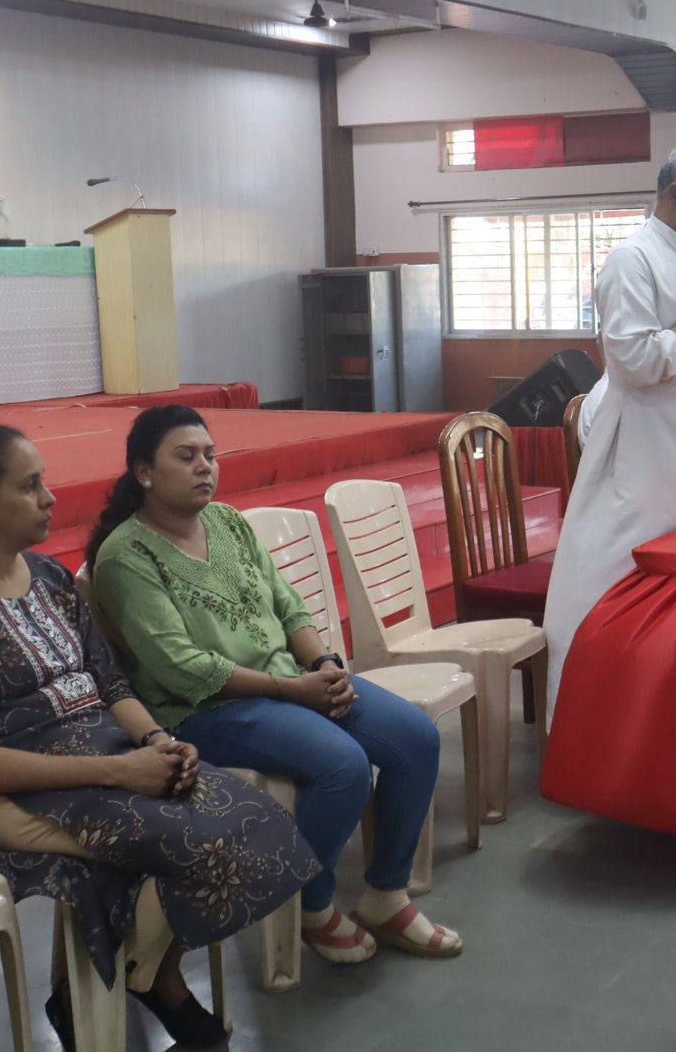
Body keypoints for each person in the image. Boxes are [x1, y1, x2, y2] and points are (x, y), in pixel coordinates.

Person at [0, 424, 318, 1051]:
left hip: (105, 755)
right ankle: (152, 982)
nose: (50, 498)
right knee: (197, 840)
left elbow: (109, 682)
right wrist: (120, 772)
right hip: (14, 794)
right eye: (29, 487)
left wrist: (157, 741)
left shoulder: (48, 575)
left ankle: (142, 972)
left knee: (256, 817)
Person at [88, 405, 461, 966]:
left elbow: (288, 604)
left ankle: (386, 894)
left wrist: (324, 664)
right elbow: (178, 666)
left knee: (414, 737)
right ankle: (310, 905)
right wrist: (292, 690)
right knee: (343, 767)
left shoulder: (227, 522)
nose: (204, 467)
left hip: (290, 682)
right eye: (186, 457)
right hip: (205, 710)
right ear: (144, 472)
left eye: (210, 455)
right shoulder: (127, 556)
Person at [541, 144, 676, 727]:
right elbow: (637, 362)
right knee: (620, 605)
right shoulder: (631, 260)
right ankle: (595, 732)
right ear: (675, 194)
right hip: (648, 467)